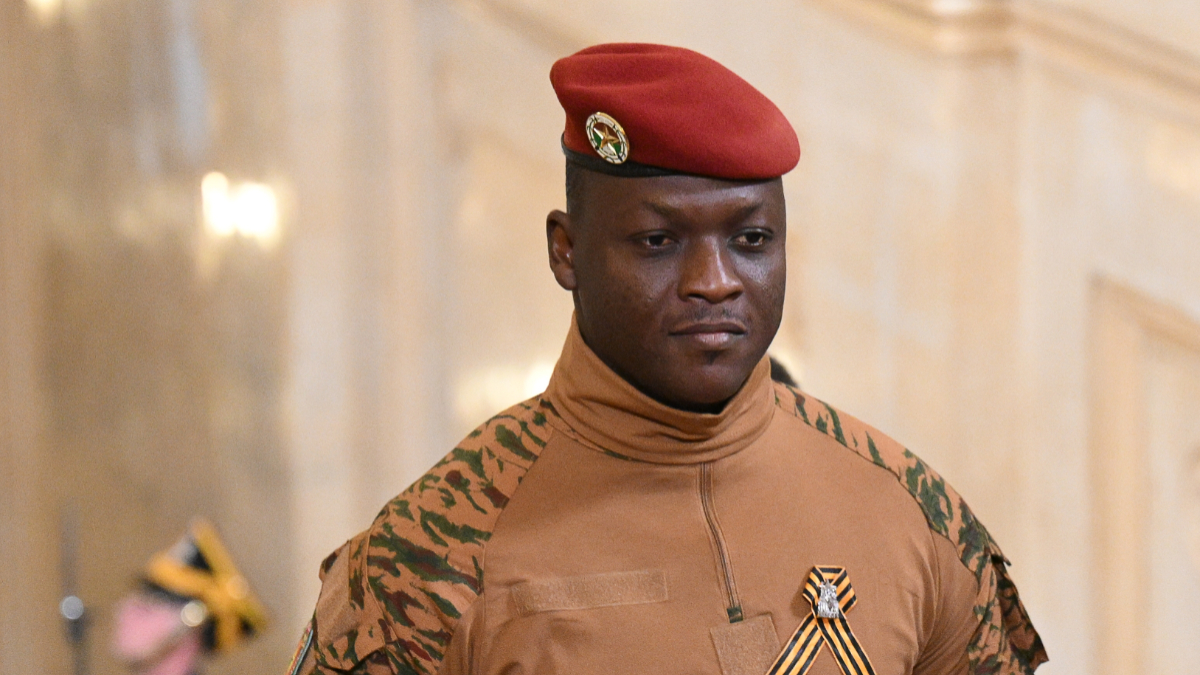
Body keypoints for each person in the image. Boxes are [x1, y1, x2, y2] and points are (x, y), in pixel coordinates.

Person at [286, 43, 1047, 675]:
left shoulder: (913, 514)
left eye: (751, 240)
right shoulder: (426, 560)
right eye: (659, 242)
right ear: (566, 249)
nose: (714, 282)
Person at [113, 518, 267, 675]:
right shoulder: (137, 607)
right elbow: (138, 656)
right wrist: (185, 624)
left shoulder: (187, 607)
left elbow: (212, 642)